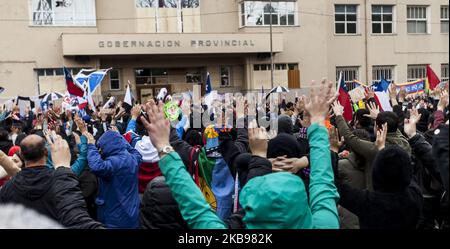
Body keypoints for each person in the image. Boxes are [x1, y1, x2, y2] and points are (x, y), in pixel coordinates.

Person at [139, 80, 340, 229]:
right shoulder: (326, 224)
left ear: (250, 208)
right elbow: (323, 183)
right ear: (303, 202)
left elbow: (195, 207)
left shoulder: (195, 156)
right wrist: (318, 122)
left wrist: (164, 144)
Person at [0, 132, 103, 229]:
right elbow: (77, 219)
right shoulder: (62, 183)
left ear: (21, 155)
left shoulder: (7, 187)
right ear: (45, 152)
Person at [87, 129, 142, 229]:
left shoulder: (112, 164)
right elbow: (136, 152)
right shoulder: (134, 159)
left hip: (113, 219)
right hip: (133, 215)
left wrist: (91, 146)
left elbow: (95, 166)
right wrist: (120, 139)